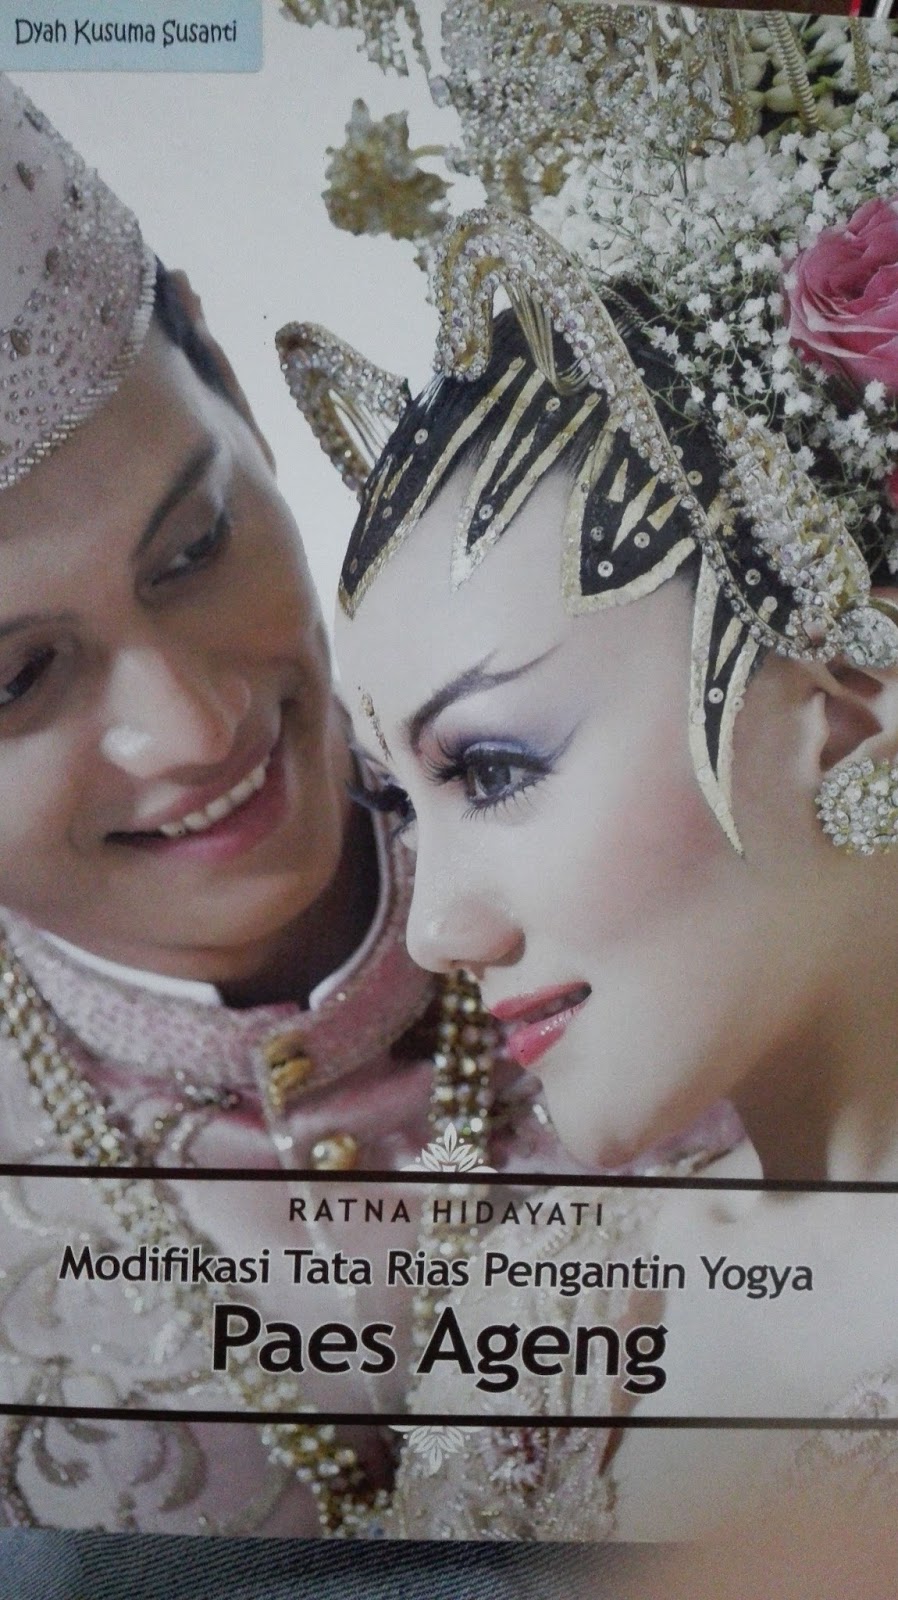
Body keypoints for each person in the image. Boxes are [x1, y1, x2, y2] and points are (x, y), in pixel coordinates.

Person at [283, 13, 898, 1540]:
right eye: (398, 800)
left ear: (849, 706)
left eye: (491, 768)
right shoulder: (542, 1311)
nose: (437, 931)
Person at [0, 74, 615, 1539]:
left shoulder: (667, 845)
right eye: (16, 680)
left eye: (195, 547)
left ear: (225, 374)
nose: (197, 726)